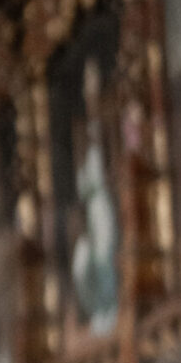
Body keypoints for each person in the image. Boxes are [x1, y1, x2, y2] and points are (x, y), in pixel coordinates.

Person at [70, 56, 119, 334]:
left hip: (105, 202)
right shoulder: (84, 136)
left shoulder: (106, 129)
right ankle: (100, 307)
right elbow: (83, 185)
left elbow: (111, 170)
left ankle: (110, 304)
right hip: (93, 207)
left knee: (106, 249)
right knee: (88, 255)